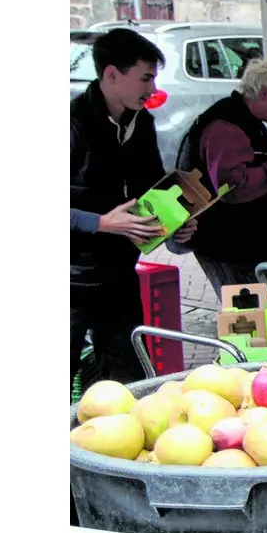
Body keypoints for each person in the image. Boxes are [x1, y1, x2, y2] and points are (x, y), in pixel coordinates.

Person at [71, 28, 197, 384]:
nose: (152, 90)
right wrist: (100, 223)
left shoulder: (142, 124)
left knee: (129, 380)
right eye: (145, 78)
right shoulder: (72, 124)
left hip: (118, 276)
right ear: (112, 74)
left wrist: (177, 221)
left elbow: (152, 189)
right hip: (71, 281)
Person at [176, 57, 267, 293]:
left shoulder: (246, 123)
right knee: (248, 316)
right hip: (230, 246)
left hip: (243, 244)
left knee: (258, 312)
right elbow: (233, 187)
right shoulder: (226, 127)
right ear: (263, 92)